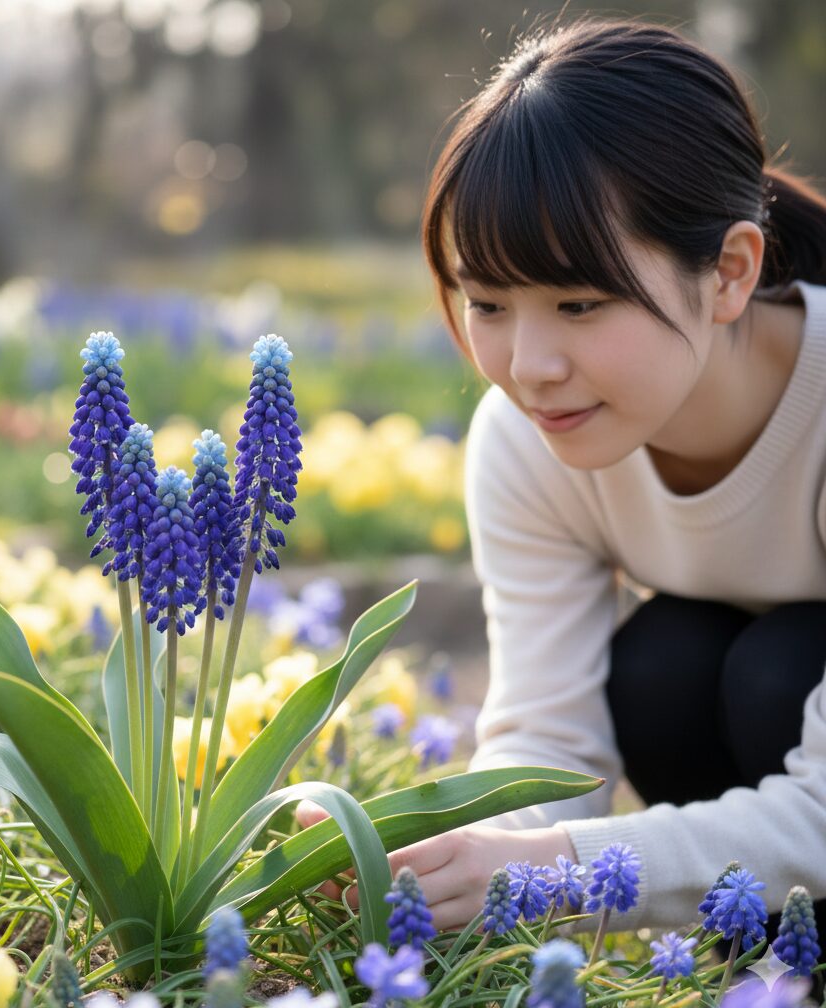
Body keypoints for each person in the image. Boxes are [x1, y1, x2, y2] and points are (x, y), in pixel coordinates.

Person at [297, 15, 826, 949]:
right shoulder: (525, 440)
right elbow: (547, 749)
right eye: (489, 303)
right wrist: (462, 855)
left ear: (731, 272)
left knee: (777, 671)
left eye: (580, 304)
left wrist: (557, 873)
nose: (530, 365)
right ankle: (758, 972)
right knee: (665, 664)